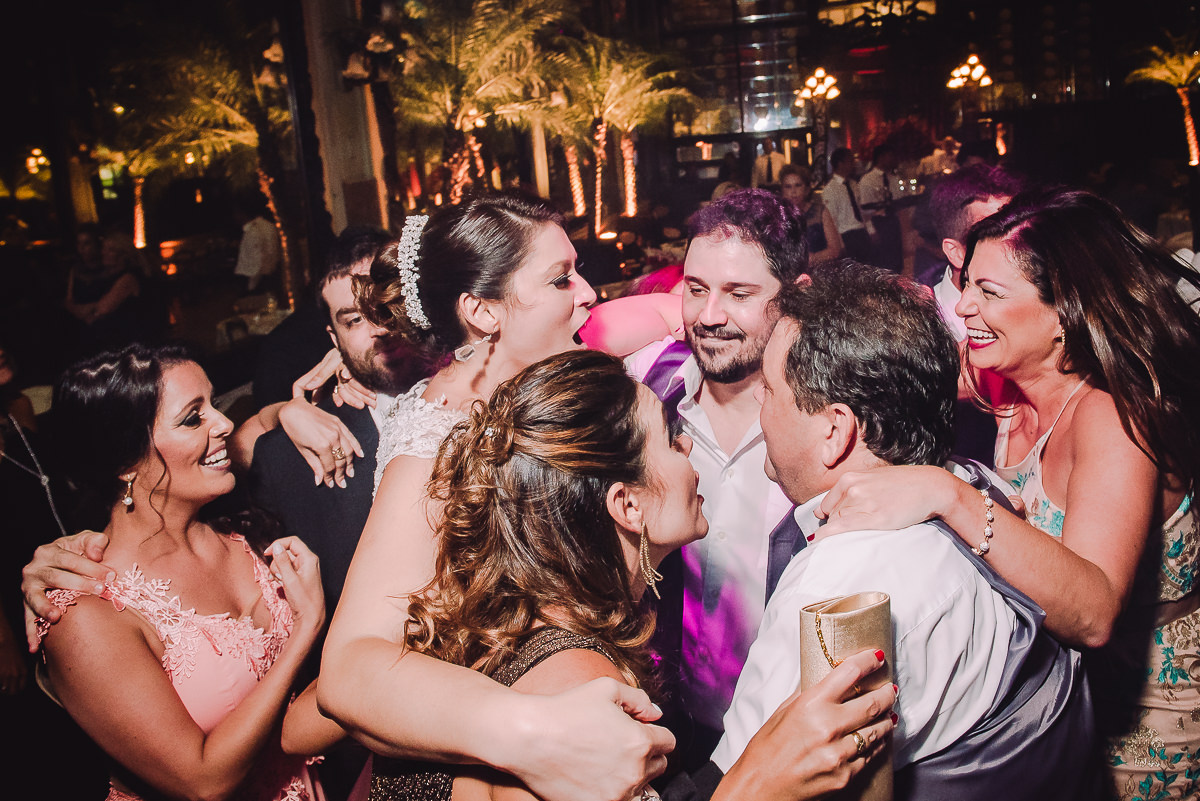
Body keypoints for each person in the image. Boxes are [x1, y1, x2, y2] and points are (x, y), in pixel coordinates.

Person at [372, 348, 896, 801]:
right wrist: (762, 780)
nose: (688, 450)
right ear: (628, 505)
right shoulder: (578, 690)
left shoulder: (527, 622)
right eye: (671, 440)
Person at [817, 188, 1200, 800]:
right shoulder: (1001, 380)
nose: (962, 304)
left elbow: (1095, 611)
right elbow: (886, 374)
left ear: (1064, 312)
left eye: (989, 293)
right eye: (966, 283)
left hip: (1150, 718)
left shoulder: (1112, 417)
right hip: (1060, 705)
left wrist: (950, 494)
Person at [316, 191, 677, 801]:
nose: (588, 293)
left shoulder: (552, 362)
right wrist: (537, 733)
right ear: (483, 311)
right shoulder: (433, 446)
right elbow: (349, 671)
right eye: (562, 279)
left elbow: (668, 311)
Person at [714, 263, 1094, 799]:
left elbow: (750, 779)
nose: (758, 402)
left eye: (769, 389)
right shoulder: (977, 487)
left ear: (835, 430)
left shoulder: (836, 593)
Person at [34, 343, 328, 801]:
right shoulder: (85, 611)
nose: (223, 422)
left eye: (213, 402)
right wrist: (307, 626)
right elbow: (203, 782)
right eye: (194, 417)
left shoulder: (236, 530)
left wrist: (286, 412)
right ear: (125, 462)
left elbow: (255, 427)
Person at [622, 189, 802, 768]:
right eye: (696, 290)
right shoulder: (648, 385)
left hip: (784, 731)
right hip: (673, 724)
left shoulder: (826, 419)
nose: (708, 315)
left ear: (792, 298)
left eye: (739, 294)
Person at [917, 164, 1022, 465]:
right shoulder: (917, 320)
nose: (1016, 243)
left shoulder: (1046, 305)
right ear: (956, 252)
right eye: (995, 231)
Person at [779, 164, 842, 266]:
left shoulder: (820, 211)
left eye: (798, 185)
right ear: (782, 190)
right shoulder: (777, 215)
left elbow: (835, 250)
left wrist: (810, 259)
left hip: (820, 272)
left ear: (807, 189)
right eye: (788, 187)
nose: (793, 191)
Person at [823, 148, 875, 263]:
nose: (853, 164)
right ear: (840, 164)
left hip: (861, 232)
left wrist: (870, 230)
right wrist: (840, 244)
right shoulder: (830, 189)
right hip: (846, 235)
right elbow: (833, 219)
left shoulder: (853, 184)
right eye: (850, 161)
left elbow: (861, 210)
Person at [234, 197, 282, 295]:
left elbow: (257, 263)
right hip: (271, 277)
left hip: (258, 282)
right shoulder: (269, 226)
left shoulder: (254, 231)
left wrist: (250, 289)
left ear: (242, 213)